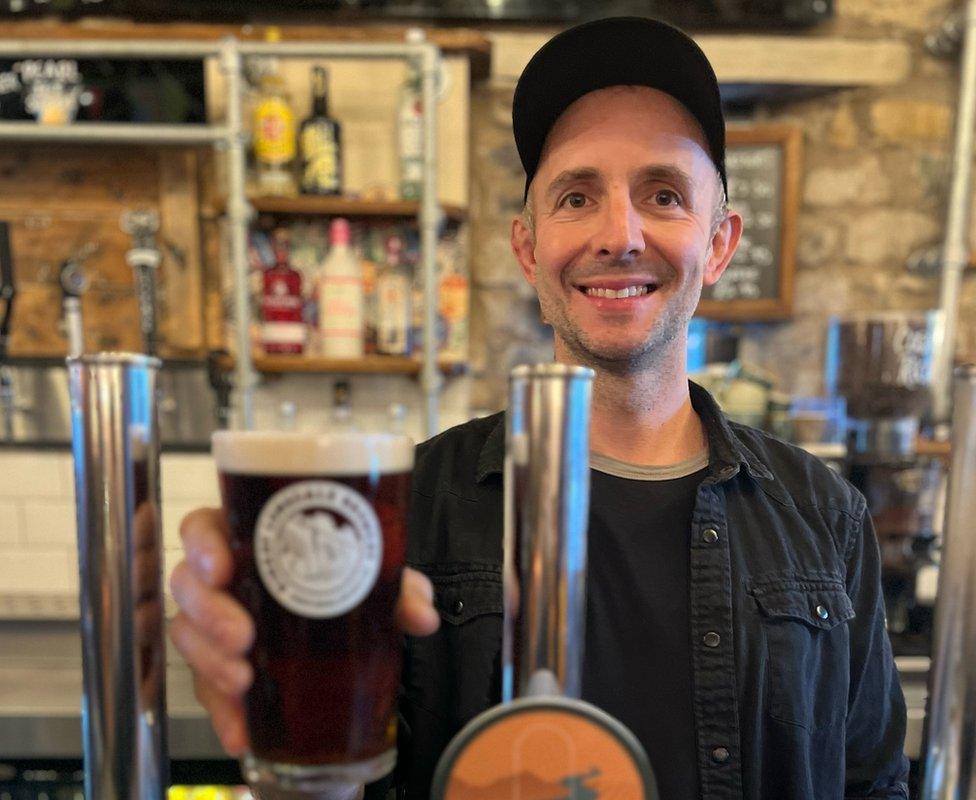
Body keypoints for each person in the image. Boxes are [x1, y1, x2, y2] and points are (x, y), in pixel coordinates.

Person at [169, 17, 909, 800]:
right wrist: (279, 708)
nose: (619, 235)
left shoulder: (825, 514)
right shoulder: (411, 506)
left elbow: (874, 784)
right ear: (527, 249)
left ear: (720, 244)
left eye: (662, 194)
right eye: (577, 196)